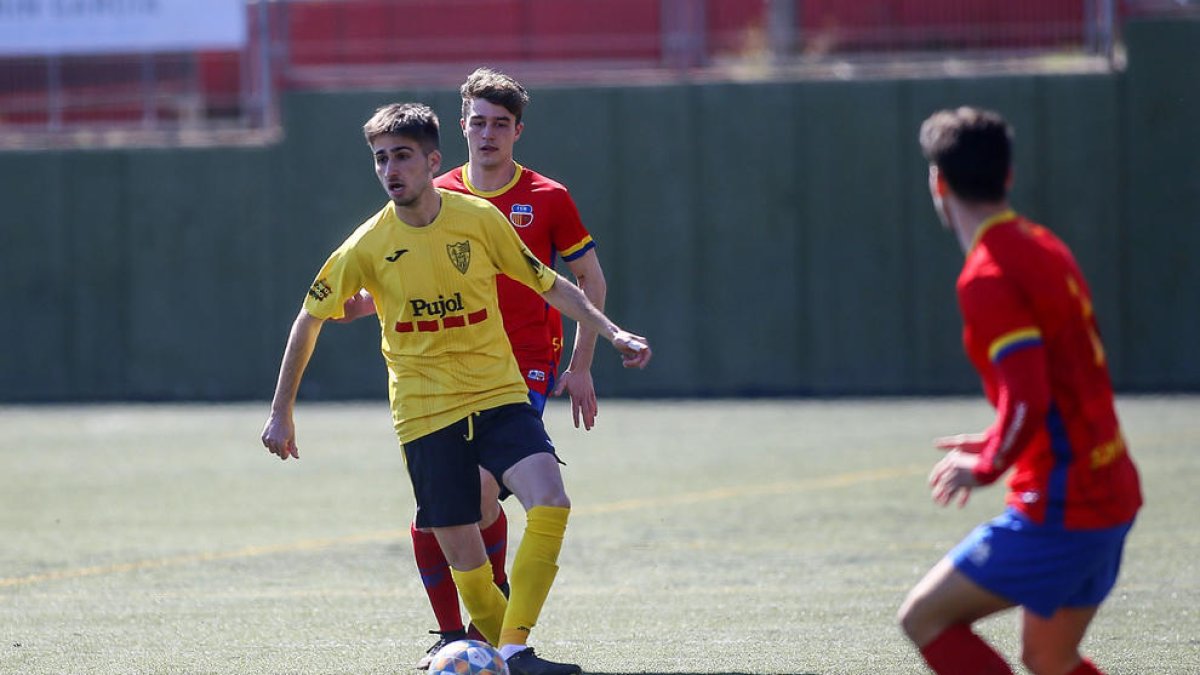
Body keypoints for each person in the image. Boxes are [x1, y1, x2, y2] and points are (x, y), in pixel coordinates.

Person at [261, 102, 650, 675]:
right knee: (465, 556)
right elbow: (309, 317)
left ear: (432, 161)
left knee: (552, 500)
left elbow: (552, 285)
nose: (391, 169)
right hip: (424, 413)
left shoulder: (478, 220)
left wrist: (610, 332)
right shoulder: (367, 244)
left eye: (402, 157)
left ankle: (515, 649)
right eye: (380, 159)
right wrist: (281, 413)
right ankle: (504, 650)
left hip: (497, 394)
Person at [337, 67, 609, 668]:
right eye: (477, 122)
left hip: (523, 368)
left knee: (484, 497)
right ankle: (465, 634)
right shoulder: (434, 191)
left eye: (500, 124)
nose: (488, 134)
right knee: (447, 512)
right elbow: (401, 274)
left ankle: (498, 636)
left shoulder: (547, 198)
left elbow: (587, 279)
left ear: (517, 131)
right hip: (444, 377)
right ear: (460, 128)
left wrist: (582, 364)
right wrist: (362, 304)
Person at [896, 107, 1143, 675]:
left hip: (1063, 504)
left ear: (938, 183)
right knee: (1049, 658)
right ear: (1008, 177)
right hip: (1110, 486)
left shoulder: (987, 275)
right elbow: (1059, 381)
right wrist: (996, 439)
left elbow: (1029, 396)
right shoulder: (1044, 245)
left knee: (924, 618)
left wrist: (985, 467)